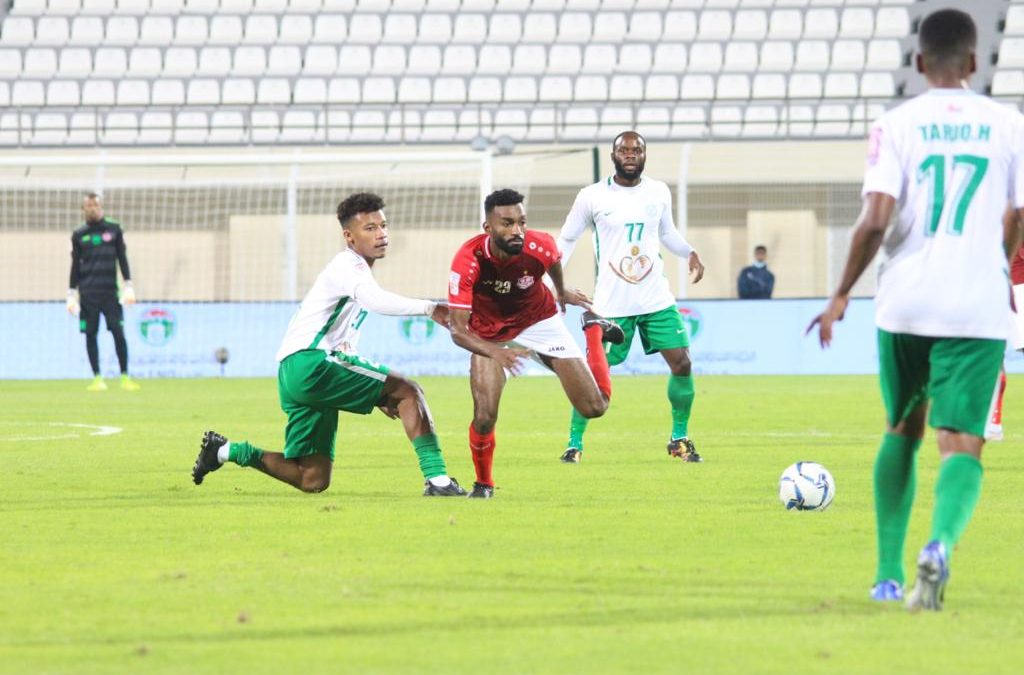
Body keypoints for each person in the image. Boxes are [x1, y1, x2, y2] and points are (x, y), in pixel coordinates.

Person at [807, 8, 1024, 611]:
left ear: (920, 61)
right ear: (975, 61)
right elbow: (1018, 215)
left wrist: (841, 293)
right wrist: (996, 263)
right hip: (977, 302)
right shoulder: (1010, 125)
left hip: (906, 299)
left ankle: (886, 575)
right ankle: (940, 544)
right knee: (963, 442)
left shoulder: (895, 124)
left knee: (902, 429)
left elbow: (875, 219)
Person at [191, 192, 466, 496]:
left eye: (383, 225)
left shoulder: (352, 272)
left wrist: (377, 394)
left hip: (293, 372)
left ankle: (225, 450)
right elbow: (375, 300)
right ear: (349, 236)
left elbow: (344, 343)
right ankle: (439, 481)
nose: (381, 234)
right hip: (314, 364)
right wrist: (430, 308)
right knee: (408, 391)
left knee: (312, 478)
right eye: (370, 228)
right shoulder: (348, 266)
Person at [447, 188, 624, 498]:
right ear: (488, 228)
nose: (517, 230)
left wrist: (561, 290)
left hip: (539, 322)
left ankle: (594, 330)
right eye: (507, 224)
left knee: (594, 407)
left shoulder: (539, 245)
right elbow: (458, 331)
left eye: (521, 222)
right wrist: (496, 353)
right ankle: (484, 484)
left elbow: (553, 261)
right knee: (485, 415)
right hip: (489, 333)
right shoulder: (468, 260)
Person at [556, 131, 706, 464]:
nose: (629, 154)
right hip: (612, 304)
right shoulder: (592, 196)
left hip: (656, 298)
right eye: (623, 150)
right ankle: (574, 444)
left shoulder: (658, 191)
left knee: (682, 362)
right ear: (613, 156)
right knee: (593, 376)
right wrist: (553, 281)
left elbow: (666, 232)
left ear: (644, 155)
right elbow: (566, 240)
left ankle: (679, 439)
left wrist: (689, 251)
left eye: (636, 150)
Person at [66, 192, 140, 391]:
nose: (93, 208)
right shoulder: (79, 234)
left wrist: (128, 285)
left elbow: (122, 258)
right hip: (88, 294)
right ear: (83, 209)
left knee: (118, 333)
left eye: (96, 205)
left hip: (110, 293)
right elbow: (75, 265)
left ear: (101, 207)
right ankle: (97, 378)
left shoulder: (114, 229)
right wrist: (71, 294)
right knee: (90, 334)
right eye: (89, 205)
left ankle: (125, 377)